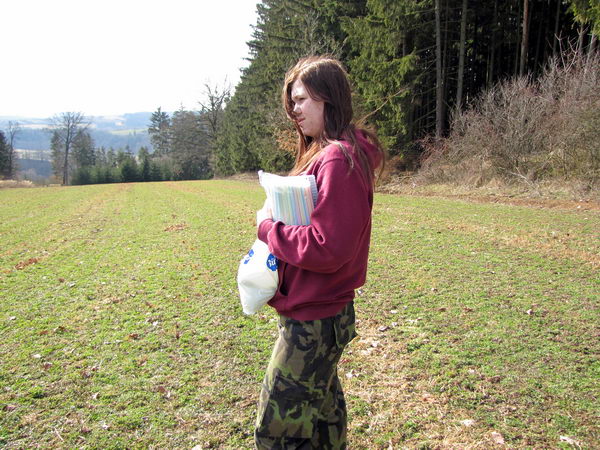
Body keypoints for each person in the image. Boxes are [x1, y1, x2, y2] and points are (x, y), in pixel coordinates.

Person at [254, 55, 384, 449]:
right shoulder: (328, 154)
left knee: (277, 432)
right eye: (291, 101)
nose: (294, 110)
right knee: (323, 423)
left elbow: (328, 248)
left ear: (328, 98)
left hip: (315, 320)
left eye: (301, 100)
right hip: (319, 314)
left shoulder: (337, 159)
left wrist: (268, 228)